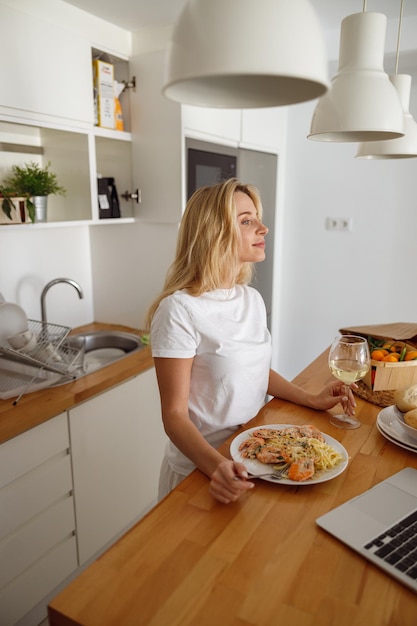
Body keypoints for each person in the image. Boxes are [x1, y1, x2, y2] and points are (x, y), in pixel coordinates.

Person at [146, 179, 356, 504]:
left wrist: (311, 399)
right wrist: (217, 467)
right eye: (247, 220)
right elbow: (173, 416)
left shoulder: (251, 299)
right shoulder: (178, 310)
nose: (264, 228)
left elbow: (254, 372)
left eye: (257, 217)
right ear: (214, 232)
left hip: (254, 457)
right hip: (202, 472)